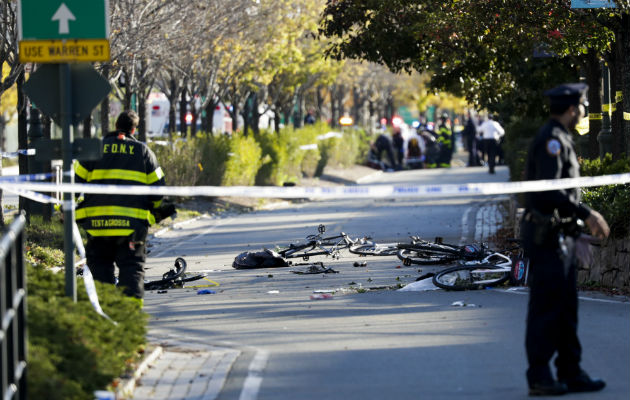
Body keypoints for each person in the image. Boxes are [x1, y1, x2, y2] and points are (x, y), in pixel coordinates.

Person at [520, 83, 610, 396]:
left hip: (560, 235)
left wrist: (576, 232)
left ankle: (571, 371)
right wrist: (587, 213)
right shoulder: (551, 141)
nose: (584, 110)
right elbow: (549, 191)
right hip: (546, 237)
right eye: (583, 105)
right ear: (573, 108)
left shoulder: (560, 137)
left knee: (566, 307)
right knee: (547, 309)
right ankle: (540, 375)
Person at [75, 110, 172, 300]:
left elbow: (72, 185)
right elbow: (159, 192)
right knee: (131, 270)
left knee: (100, 270)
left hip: (97, 227)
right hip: (131, 228)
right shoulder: (143, 152)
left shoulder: (94, 151)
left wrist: (66, 211)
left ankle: (106, 315)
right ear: (133, 129)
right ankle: (131, 316)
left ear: (116, 125)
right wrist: (151, 217)